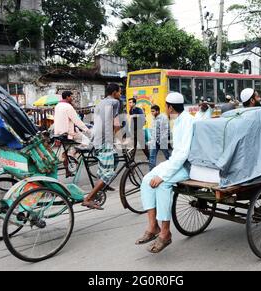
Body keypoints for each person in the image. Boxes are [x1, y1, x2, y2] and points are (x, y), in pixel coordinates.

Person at [136, 92, 194, 253]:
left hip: (186, 166)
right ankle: (153, 226)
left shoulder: (187, 121)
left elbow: (183, 154)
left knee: (162, 184)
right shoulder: (178, 120)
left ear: (170, 107)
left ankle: (165, 232)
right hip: (176, 163)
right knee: (147, 179)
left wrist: (163, 176)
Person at [81, 84, 122, 210]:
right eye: (120, 92)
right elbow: (116, 124)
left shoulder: (100, 103)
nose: (120, 95)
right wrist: (117, 136)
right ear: (115, 92)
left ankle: (103, 184)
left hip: (96, 138)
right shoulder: (115, 102)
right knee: (108, 173)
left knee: (115, 158)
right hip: (104, 141)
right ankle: (88, 198)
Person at [54, 91, 91, 177]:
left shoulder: (57, 106)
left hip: (59, 133)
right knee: (86, 141)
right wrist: (87, 130)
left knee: (64, 153)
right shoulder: (68, 107)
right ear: (67, 97)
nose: (72, 98)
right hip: (68, 133)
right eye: (71, 97)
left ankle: (67, 171)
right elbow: (76, 120)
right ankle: (73, 155)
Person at [148, 105, 170, 170]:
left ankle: (173, 168)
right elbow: (153, 130)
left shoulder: (164, 117)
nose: (152, 113)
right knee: (152, 157)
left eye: (153, 111)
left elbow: (167, 130)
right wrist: (151, 139)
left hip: (162, 141)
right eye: (151, 111)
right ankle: (151, 172)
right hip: (154, 141)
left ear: (157, 111)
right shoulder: (153, 118)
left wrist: (162, 139)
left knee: (167, 156)